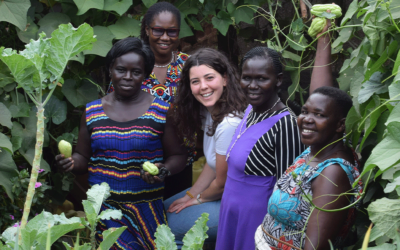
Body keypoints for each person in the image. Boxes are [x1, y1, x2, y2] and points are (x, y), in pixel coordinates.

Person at [56, 37, 187, 250]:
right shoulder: (91, 112)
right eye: (120, 70)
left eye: (136, 72)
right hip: (105, 210)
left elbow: (178, 157)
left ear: (145, 74)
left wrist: (163, 171)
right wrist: (71, 163)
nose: (127, 77)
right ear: (110, 70)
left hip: (147, 210)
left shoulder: (161, 110)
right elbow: (82, 157)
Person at [254, 14, 363, 250]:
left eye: (319, 115)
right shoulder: (317, 150)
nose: (307, 120)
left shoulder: (332, 173)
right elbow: (321, 94)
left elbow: (315, 247)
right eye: (304, 112)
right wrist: (324, 36)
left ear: (340, 125)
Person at [215, 46, 305, 250]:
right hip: (231, 211)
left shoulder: (286, 124)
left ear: (278, 80)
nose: (252, 86)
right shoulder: (251, 110)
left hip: (256, 220)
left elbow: (288, 190)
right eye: (247, 78)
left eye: (261, 79)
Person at [163, 48, 248, 248]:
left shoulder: (230, 123)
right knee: (160, 211)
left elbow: (222, 182)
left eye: (210, 78)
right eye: (195, 81)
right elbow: (213, 164)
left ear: (225, 79)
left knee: (168, 228)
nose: (203, 87)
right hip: (225, 195)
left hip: (241, 205)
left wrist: (197, 200)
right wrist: (190, 195)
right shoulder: (210, 112)